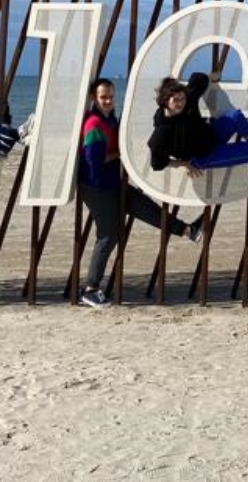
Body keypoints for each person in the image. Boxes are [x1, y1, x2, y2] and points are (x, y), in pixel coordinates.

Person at [77, 78, 199, 310]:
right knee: (109, 234)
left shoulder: (110, 119)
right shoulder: (94, 124)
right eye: (103, 97)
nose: (108, 101)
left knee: (145, 206)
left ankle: (188, 230)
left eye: (111, 96)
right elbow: (96, 161)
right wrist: (122, 153)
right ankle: (91, 289)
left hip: (113, 183)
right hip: (95, 187)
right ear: (94, 98)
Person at [147, 73, 248, 192]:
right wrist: (185, 164)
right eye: (176, 101)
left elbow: (197, 78)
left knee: (236, 116)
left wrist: (211, 76)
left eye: (182, 98)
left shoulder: (188, 98)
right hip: (204, 156)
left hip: (211, 136)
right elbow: (157, 163)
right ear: (164, 101)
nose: (181, 103)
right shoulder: (162, 132)